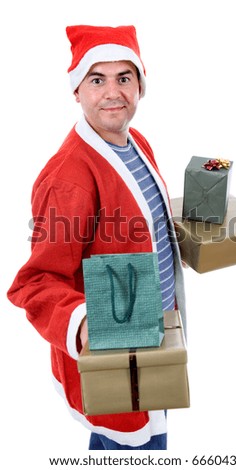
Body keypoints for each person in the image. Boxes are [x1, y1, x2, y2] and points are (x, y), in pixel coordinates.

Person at [7, 24, 186, 450]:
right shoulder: (68, 177)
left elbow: (135, 218)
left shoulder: (134, 141)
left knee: (123, 443)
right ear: (77, 91)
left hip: (154, 336)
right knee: (133, 443)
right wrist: (86, 323)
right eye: (97, 79)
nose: (112, 92)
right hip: (114, 350)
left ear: (140, 86)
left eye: (124, 78)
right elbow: (34, 284)